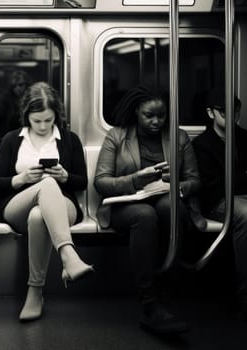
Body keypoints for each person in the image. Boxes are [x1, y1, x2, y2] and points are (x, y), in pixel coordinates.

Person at [94, 85, 201, 335]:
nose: (156, 121)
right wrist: (135, 179)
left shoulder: (179, 137)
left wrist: (173, 184)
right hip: (127, 204)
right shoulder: (117, 136)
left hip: (166, 198)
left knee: (167, 208)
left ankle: (165, 288)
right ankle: (150, 303)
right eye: (149, 116)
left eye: (161, 116)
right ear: (136, 113)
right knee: (145, 215)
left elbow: (195, 180)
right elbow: (101, 181)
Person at [0, 82, 93, 322]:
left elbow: (81, 182)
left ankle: (35, 292)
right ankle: (68, 256)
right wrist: (22, 178)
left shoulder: (69, 140)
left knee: (39, 215)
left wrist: (66, 176)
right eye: (37, 120)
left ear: (56, 115)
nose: (43, 126)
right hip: (16, 202)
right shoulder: (11, 140)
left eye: (48, 120)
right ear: (26, 116)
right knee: (46, 185)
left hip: (61, 204)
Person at [191, 88, 247, 320]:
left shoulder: (245, 138)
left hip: (240, 196)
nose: (231, 117)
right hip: (218, 201)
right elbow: (213, 186)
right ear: (211, 113)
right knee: (245, 215)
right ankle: (244, 294)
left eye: (235, 112)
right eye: (224, 112)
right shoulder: (203, 144)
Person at [0, 70, 31, 148]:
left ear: (26, 84)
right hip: (9, 138)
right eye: (14, 86)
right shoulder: (4, 101)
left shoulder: (32, 100)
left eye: (21, 85)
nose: (17, 88)